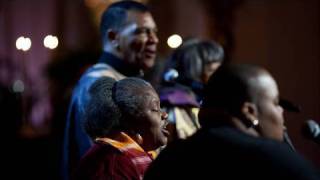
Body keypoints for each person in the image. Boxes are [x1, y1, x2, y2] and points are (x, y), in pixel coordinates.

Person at [144, 64, 320, 180]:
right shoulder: (279, 161)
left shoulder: (170, 159)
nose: (281, 111)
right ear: (250, 111)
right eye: (275, 103)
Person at [62, 1, 159, 179]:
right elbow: (105, 162)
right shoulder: (99, 83)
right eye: (142, 31)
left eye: (154, 32)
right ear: (113, 37)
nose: (154, 39)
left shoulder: (124, 79)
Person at [73, 77, 169, 180]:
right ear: (132, 122)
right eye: (155, 109)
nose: (165, 115)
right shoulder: (114, 165)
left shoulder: (122, 159)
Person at [158, 38, 224, 141]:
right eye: (212, 71)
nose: (218, 77)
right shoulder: (172, 107)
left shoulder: (206, 103)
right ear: (193, 72)